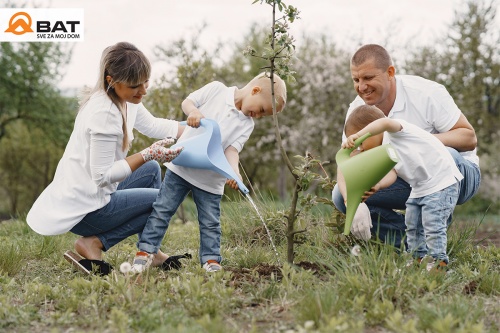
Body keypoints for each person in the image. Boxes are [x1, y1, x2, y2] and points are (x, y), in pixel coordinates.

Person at [26, 42, 189, 276]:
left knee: (152, 169)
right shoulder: (104, 114)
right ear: (112, 80)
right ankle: (95, 242)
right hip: (86, 209)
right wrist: (147, 153)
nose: (143, 90)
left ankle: (150, 251)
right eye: (135, 85)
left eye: (146, 82)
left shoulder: (123, 99)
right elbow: (102, 176)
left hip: (95, 194)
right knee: (164, 199)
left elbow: (154, 125)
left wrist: (198, 130)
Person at [128, 72, 287, 273]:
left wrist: (234, 173)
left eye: (264, 115)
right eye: (261, 109)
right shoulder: (217, 90)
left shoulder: (247, 124)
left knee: (210, 222)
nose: (258, 116)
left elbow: (232, 150)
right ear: (255, 90)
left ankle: (211, 260)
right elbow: (188, 102)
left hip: (211, 180)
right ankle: (145, 252)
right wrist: (193, 112)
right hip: (182, 166)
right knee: (162, 210)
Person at [332, 44, 481, 248]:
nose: (362, 87)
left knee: (445, 154)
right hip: (403, 176)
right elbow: (348, 159)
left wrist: (415, 146)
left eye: (368, 78)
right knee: (340, 194)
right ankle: (412, 245)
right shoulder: (358, 110)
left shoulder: (425, 93)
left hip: (459, 173)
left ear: (390, 72)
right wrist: (352, 203)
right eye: (356, 80)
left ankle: (434, 230)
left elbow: (468, 137)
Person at [341, 105, 462, 270]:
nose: (360, 148)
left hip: (441, 181)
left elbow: (383, 122)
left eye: (360, 143)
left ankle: (438, 264)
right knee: (412, 225)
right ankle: (417, 259)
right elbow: (391, 174)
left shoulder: (396, 129)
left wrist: (359, 134)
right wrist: (377, 185)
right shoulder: (384, 152)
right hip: (420, 187)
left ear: (370, 131)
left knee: (432, 224)